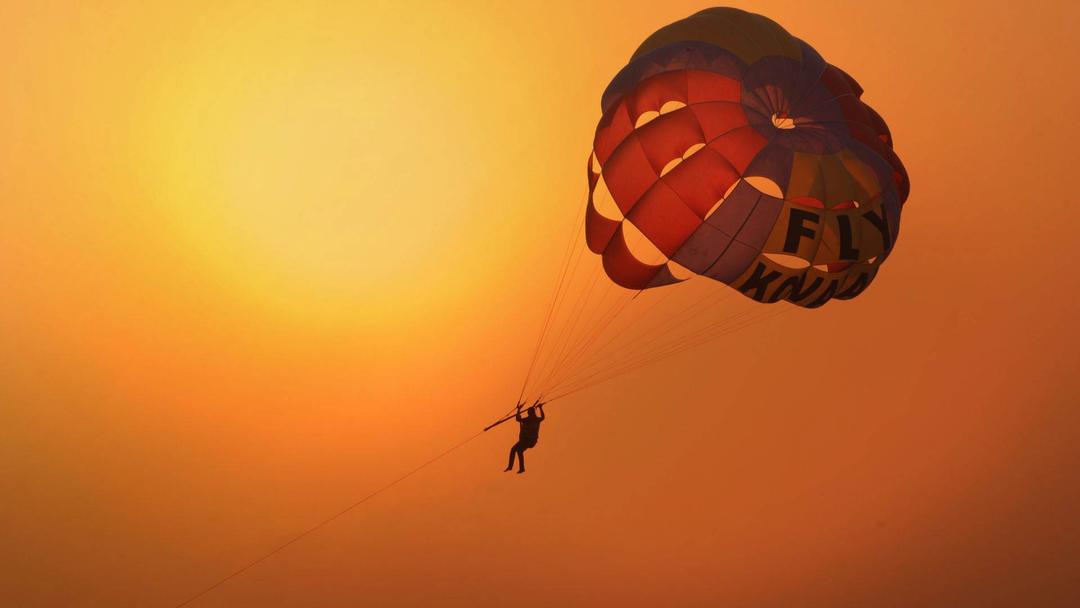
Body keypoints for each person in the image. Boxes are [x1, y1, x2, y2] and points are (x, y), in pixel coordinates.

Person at [504, 400, 545, 474]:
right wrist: (540, 408)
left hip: (528, 440)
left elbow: (518, 419)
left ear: (530, 413)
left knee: (515, 449)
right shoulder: (535, 419)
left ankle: (512, 467)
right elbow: (543, 417)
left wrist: (518, 410)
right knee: (517, 450)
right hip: (529, 441)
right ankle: (519, 468)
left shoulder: (530, 419)